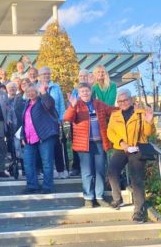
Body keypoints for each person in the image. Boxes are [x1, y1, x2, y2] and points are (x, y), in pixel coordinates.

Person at [64, 83, 117, 207]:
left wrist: (126, 108)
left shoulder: (98, 104)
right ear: (79, 93)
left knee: (100, 171)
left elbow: (111, 110)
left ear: (90, 92)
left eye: (87, 91)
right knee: (87, 172)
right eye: (82, 91)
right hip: (84, 144)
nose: (85, 93)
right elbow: (67, 118)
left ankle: (99, 196)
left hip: (99, 143)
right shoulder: (76, 105)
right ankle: (88, 197)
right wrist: (71, 106)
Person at [107, 89, 155, 223]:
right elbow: (110, 132)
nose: (122, 103)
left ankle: (139, 211)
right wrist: (121, 142)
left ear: (131, 100)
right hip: (121, 147)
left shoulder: (141, 113)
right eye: (120, 101)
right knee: (112, 171)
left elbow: (148, 133)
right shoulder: (115, 115)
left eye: (125, 100)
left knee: (136, 178)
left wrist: (149, 121)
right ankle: (117, 199)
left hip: (138, 148)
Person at [21, 83, 59, 194]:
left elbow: (50, 104)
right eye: (28, 92)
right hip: (29, 138)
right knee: (28, 163)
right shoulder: (27, 104)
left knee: (47, 163)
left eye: (32, 91)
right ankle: (32, 185)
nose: (30, 93)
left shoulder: (43, 101)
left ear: (37, 92)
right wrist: (23, 135)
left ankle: (48, 186)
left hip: (45, 136)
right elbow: (25, 122)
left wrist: (44, 92)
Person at [38, 67, 68, 179]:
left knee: (57, 145)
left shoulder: (56, 87)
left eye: (48, 74)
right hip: (41, 122)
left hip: (54, 120)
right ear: (39, 76)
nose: (46, 76)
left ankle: (60, 170)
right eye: (43, 74)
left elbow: (60, 103)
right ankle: (44, 171)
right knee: (43, 146)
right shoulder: (36, 88)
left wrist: (62, 117)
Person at [69, 69, 90, 176]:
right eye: (81, 76)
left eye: (85, 76)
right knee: (75, 145)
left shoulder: (91, 89)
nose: (83, 78)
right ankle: (76, 167)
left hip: (88, 120)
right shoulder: (75, 91)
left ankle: (86, 167)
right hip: (76, 121)